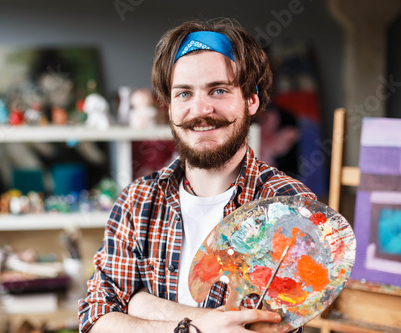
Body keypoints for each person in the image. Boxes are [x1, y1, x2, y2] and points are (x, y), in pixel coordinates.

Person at [78, 18, 316, 333]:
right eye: (184, 94)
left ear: (251, 99)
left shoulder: (289, 206)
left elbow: (264, 327)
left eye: (218, 90)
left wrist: (141, 303)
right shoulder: (137, 201)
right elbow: (96, 317)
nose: (200, 110)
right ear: (169, 106)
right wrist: (194, 327)